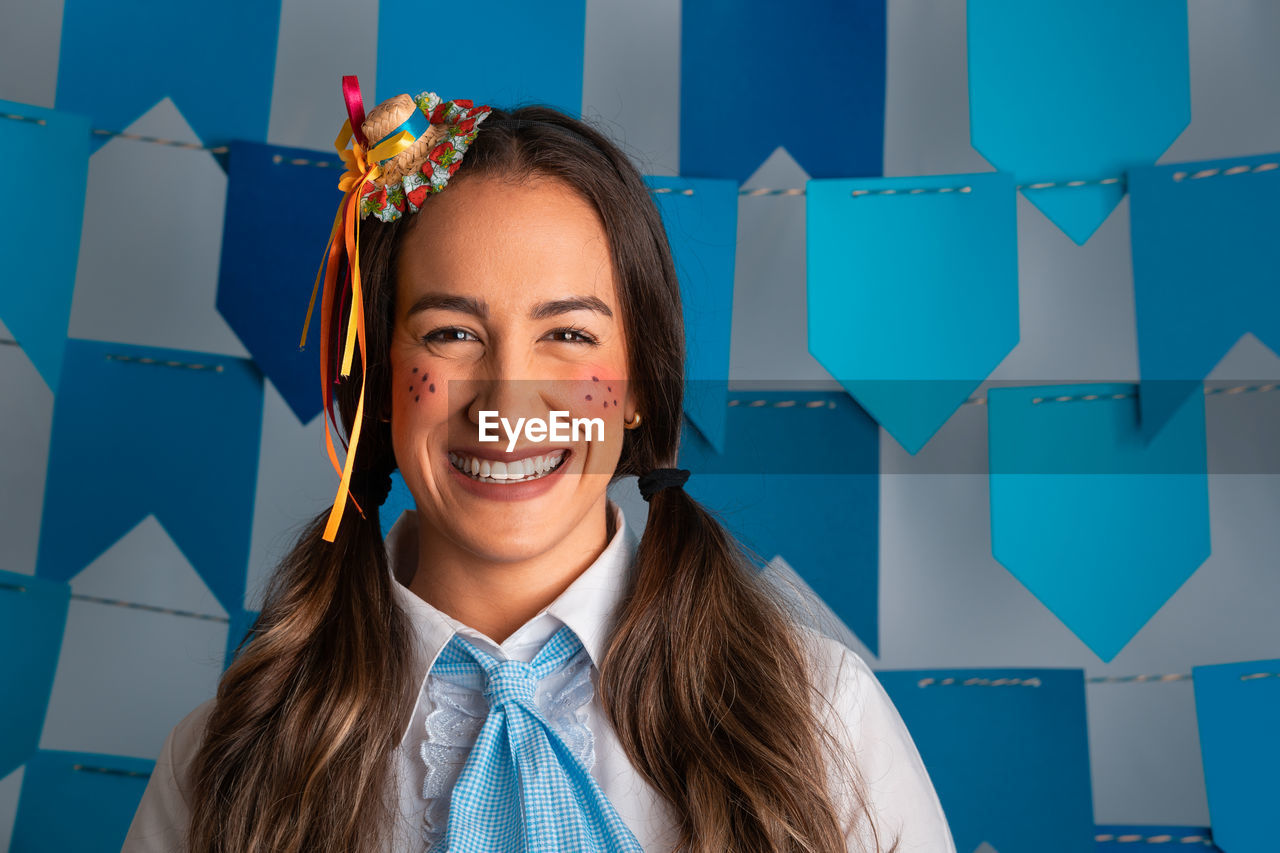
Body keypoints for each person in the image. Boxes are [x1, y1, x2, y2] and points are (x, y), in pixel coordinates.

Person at [123, 79, 956, 853]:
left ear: (640, 386)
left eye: (569, 335)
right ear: (379, 381)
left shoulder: (820, 720)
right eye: (450, 332)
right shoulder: (219, 763)